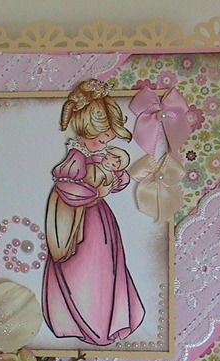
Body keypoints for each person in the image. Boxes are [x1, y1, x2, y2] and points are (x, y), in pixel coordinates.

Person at [42, 79, 145, 346]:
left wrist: (115, 176)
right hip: (78, 224)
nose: (105, 143)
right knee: (85, 271)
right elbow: (67, 188)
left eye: (108, 139)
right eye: (101, 139)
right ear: (85, 131)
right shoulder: (75, 157)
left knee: (106, 269)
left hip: (100, 220)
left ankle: (109, 320)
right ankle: (91, 323)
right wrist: (95, 192)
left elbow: (116, 181)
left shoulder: (99, 155)